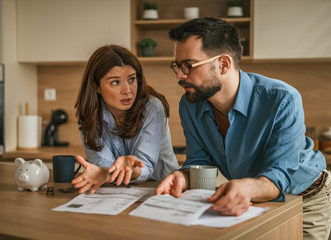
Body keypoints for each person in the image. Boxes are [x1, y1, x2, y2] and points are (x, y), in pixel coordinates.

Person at [155, 17, 330, 240]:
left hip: (307, 197)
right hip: (256, 199)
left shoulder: (282, 99)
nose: (180, 75)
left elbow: (279, 175)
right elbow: (199, 162)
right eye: (177, 66)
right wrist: (184, 177)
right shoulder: (189, 104)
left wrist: (247, 188)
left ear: (224, 64)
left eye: (188, 65)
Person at [73, 44, 179, 194]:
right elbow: (103, 163)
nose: (127, 90)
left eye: (131, 79)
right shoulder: (89, 113)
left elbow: (146, 167)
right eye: (115, 82)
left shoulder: (152, 108)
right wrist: (103, 174)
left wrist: (131, 167)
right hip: (119, 190)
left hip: (161, 187)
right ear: (96, 87)